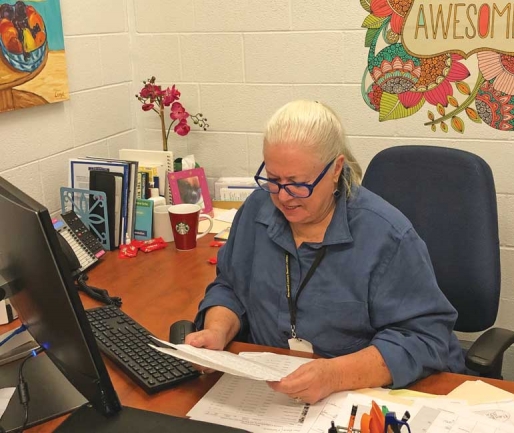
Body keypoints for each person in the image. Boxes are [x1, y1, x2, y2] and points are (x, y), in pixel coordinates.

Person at [187, 100, 466, 404]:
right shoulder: (257, 209)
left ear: (335, 169)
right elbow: (230, 287)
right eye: (273, 179)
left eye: (297, 184)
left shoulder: (387, 237)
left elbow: (424, 338)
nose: (282, 196)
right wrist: (217, 331)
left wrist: (334, 375)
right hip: (269, 391)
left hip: (359, 397)